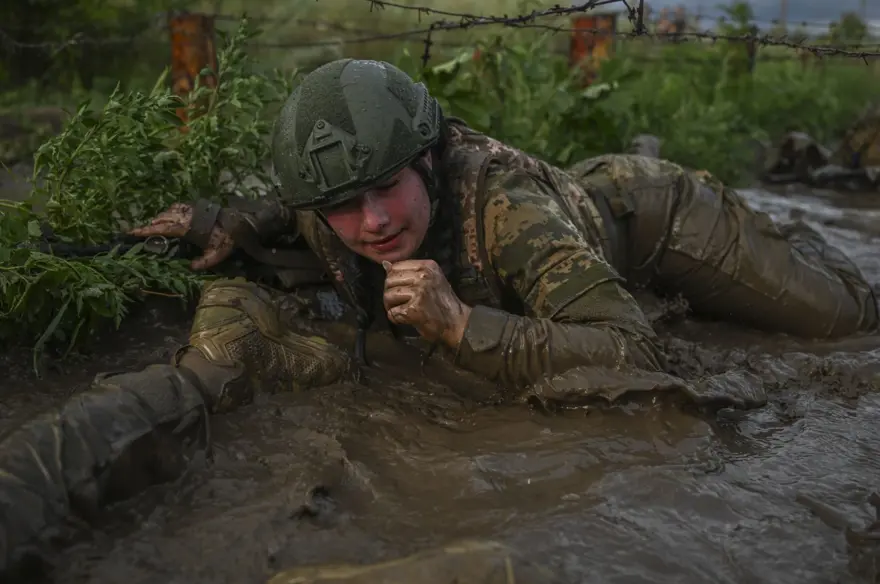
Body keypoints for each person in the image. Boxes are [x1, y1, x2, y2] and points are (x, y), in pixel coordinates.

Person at [1, 58, 877, 578]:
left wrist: (463, 327)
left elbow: (631, 351)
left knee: (840, 316)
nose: (372, 222)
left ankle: (789, 230)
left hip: (656, 222)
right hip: (536, 250)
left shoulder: (507, 207)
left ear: (430, 158)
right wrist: (227, 221)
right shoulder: (329, 203)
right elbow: (285, 204)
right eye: (345, 205)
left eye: (387, 190)